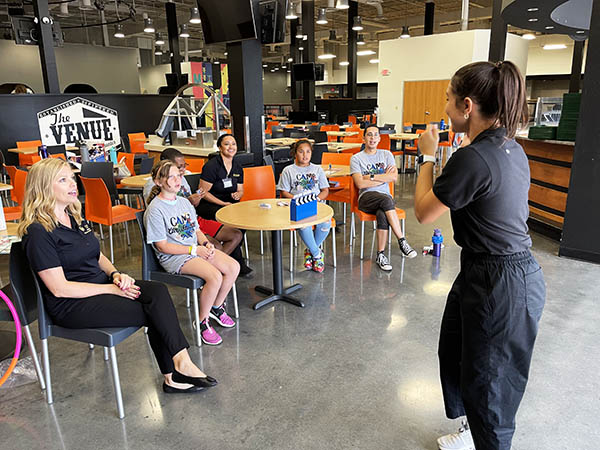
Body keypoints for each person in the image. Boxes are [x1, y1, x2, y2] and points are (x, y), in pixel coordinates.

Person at [413, 61, 546, 450]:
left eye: (449, 100)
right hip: (490, 271)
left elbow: (422, 210)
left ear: (467, 106)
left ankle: (487, 438)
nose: (445, 108)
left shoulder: (472, 158)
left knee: (491, 386)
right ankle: (472, 430)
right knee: (460, 354)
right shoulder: (508, 148)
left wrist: (426, 156)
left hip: (500, 281)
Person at [19, 158, 216, 394]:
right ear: (43, 187)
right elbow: (60, 288)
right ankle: (175, 373)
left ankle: (180, 364)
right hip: (71, 304)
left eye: (72, 177)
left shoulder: (73, 218)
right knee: (151, 311)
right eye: (63, 179)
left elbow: (97, 255)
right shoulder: (38, 232)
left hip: (99, 286)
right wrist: (110, 289)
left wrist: (115, 274)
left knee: (157, 292)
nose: (73, 183)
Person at [144, 160, 240, 346]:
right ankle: (202, 322)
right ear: (158, 181)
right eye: (170, 176)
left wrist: (205, 243)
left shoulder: (184, 202)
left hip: (195, 250)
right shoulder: (155, 210)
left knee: (233, 267)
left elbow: (195, 230)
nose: (177, 180)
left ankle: (216, 307)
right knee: (214, 276)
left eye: (178, 175)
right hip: (174, 257)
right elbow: (162, 246)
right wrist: (195, 249)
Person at [142, 148, 244, 259]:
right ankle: (214, 264)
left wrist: (195, 199)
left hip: (194, 219)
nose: (183, 170)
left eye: (184, 165)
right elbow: (163, 215)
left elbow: (190, 206)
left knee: (236, 234)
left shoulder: (182, 178)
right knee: (216, 247)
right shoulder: (153, 190)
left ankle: (216, 263)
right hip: (180, 226)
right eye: (179, 167)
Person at [350, 124, 417, 271]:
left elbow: (393, 177)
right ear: (364, 138)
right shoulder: (356, 159)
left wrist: (372, 176)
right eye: (369, 135)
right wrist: (383, 177)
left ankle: (380, 255)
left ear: (380, 138)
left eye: (375, 135)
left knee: (382, 213)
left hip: (384, 199)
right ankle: (402, 240)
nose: (372, 138)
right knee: (387, 200)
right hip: (366, 198)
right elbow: (360, 184)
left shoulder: (387, 155)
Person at [197, 134, 253, 276]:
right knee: (233, 226)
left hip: (230, 204)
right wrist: (223, 203)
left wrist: (238, 195)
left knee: (244, 223)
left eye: (233, 144)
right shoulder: (211, 166)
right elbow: (202, 192)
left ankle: (224, 261)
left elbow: (240, 189)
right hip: (210, 204)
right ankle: (237, 263)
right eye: (227, 144)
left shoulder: (238, 167)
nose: (231, 147)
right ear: (220, 147)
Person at [277, 139, 330, 272]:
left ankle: (311, 251)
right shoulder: (288, 170)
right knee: (304, 225)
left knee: (326, 224)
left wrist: (316, 199)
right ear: (295, 153)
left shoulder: (317, 169)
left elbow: (325, 190)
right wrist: (296, 199)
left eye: (308, 152)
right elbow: (284, 192)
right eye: (301, 152)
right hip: (299, 206)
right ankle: (317, 255)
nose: (305, 155)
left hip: (317, 205)